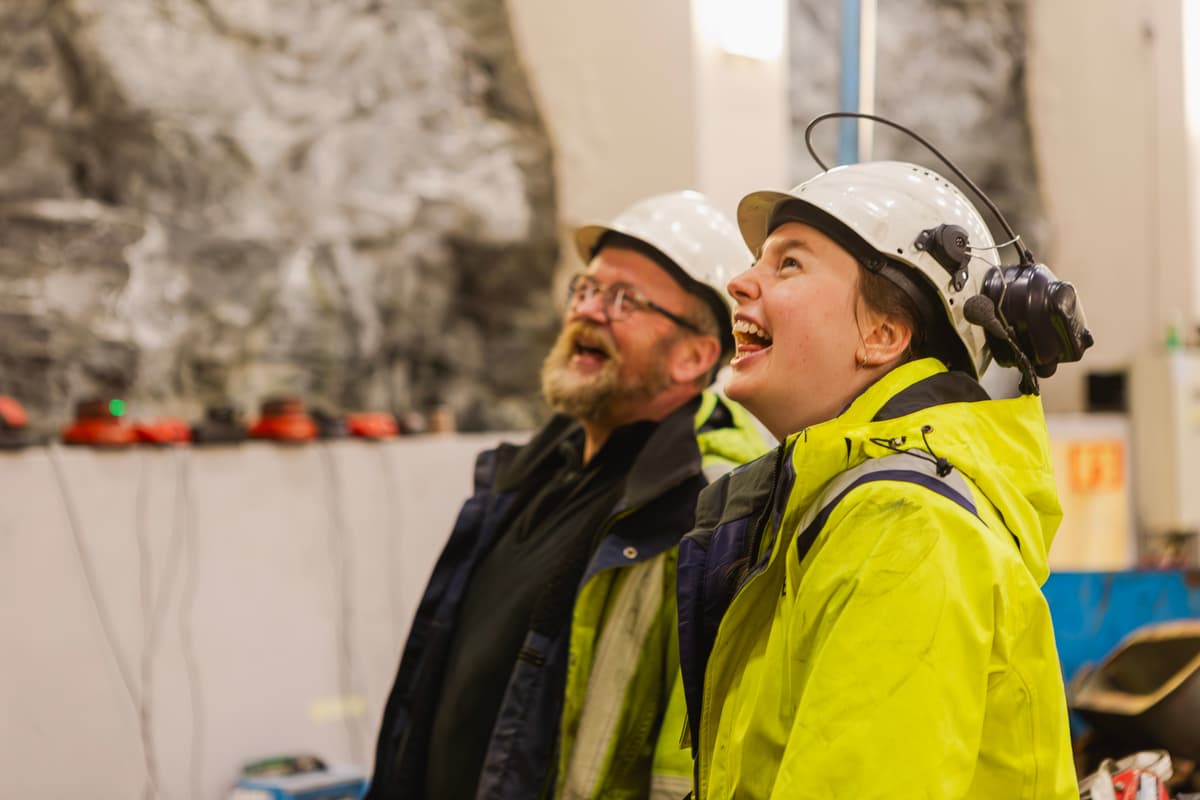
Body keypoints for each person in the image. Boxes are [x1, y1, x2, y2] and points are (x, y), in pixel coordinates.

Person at [675, 160, 1090, 799]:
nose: (737, 282)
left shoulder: (906, 529)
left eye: (789, 264)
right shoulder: (831, 512)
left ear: (883, 334)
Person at [366, 191, 769, 800]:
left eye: (624, 300)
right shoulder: (523, 477)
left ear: (693, 355)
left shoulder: (702, 513)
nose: (589, 312)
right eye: (585, 289)